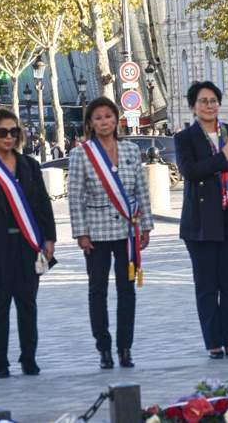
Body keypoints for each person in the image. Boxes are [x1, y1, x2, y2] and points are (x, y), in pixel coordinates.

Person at [0, 109, 56, 378]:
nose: (9, 137)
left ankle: (29, 359)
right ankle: (0, 363)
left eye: (14, 131)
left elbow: (43, 205)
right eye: (3, 132)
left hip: (28, 245)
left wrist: (49, 238)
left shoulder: (29, 165)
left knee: (28, 305)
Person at [175, 81, 228, 358]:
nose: (209, 105)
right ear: (193, 107)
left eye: (213, 100)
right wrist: (222, 157)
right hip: (201, 223)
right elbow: (190, 171)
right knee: (207, 287)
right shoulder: (185, 138)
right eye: (203, 101)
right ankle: (213, 342)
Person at [68, 97, 154, 369]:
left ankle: (125, 347)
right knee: (98, 291)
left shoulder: (130, 150)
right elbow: (75, 196)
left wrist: (146, 225)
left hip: (128, 230)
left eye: (108, 116)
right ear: (90, 124)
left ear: (116, 119)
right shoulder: (81, 153)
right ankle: (103, 348)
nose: (104, 121)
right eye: (98, 118)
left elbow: (141, 188)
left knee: (127, 290)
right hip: (96, 232)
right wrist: (81, 233)